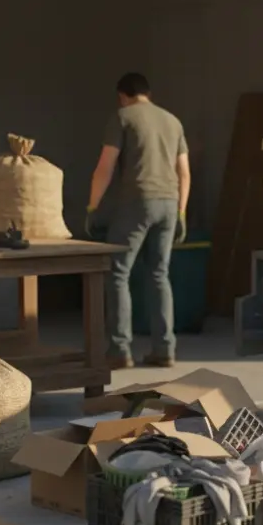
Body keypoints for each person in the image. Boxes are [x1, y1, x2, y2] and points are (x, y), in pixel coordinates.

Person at [85, 72, 190, 370]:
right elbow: (184, 172)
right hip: (169, 203)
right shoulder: (172, 121)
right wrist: (181, 211)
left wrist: (92, 207)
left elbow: (105, 166)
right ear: (149, 93)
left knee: (118, 273)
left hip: (137, 202)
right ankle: (164, 349)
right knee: (159, 274)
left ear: (123, 95)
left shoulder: (123, 117)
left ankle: (119, 350)